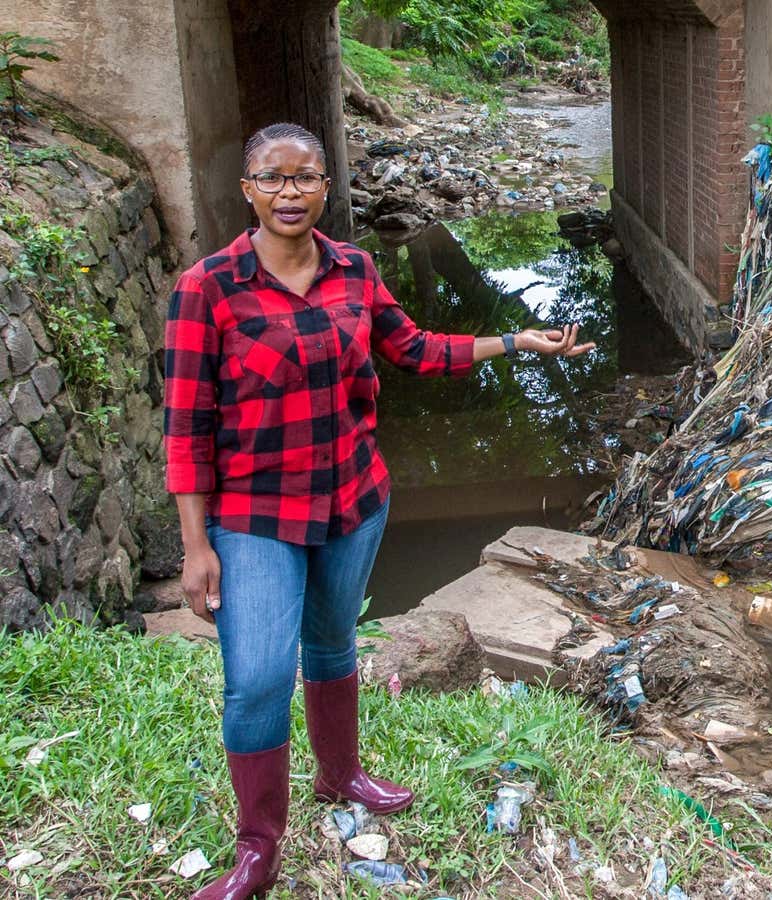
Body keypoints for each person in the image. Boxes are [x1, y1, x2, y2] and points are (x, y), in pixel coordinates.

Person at [164, 122, 594, 900]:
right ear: (249, 190)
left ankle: (342, 775)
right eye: (274, 178)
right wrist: (196, 545)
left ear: (327, 187)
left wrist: (516, 342)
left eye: (305, 178)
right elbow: (186, 427)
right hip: (254, 513)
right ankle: (258, 846)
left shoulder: (355, 271)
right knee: (259, 676)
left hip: (354, 497)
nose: (290, 193)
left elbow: (418, 349)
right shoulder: (207, 289)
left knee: (332, 643)